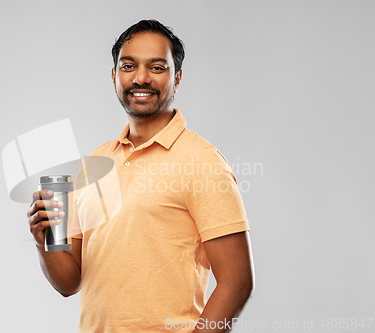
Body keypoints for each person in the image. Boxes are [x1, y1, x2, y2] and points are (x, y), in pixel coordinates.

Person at [27, 19, 254, 333]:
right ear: (114, 76)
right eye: (128, 65)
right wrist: (44, 242)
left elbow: (236, 282)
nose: (141, 78)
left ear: (177, 78)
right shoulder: (94, 163)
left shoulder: (203, 162)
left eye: (157, 67)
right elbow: (70, 282)